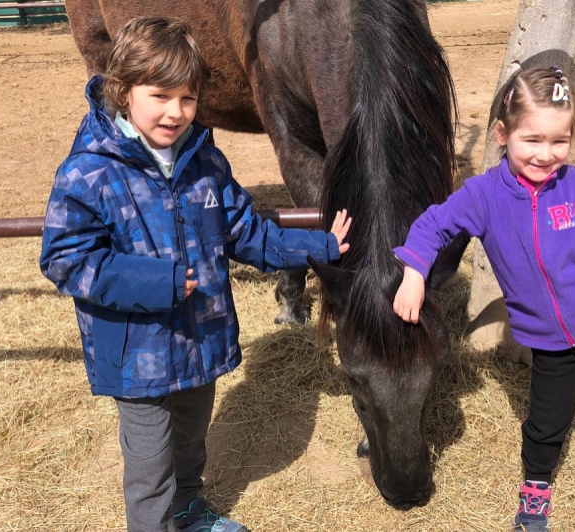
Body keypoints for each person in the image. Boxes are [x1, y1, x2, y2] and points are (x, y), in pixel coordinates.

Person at [39, 16, 351, 532]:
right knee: (149, 468)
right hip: (137, 356)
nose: (175, 112)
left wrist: (321, 246)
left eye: (187, 98)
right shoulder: (88, 172)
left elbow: (249, 234)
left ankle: (189, 512)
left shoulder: (204, 163)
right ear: (122, 90)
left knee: (189, 446)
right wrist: (154, 282)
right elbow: (66, 258)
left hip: (197, 341)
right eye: (159, 95)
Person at [392, 66, 575, 532]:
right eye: (532, 139)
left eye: (560, 141)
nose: (546, 154)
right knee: (545, 421)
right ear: (501, 133)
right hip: (549, 338)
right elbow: (434, 225)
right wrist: (414, 273)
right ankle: (535, 490)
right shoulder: (482, 196)